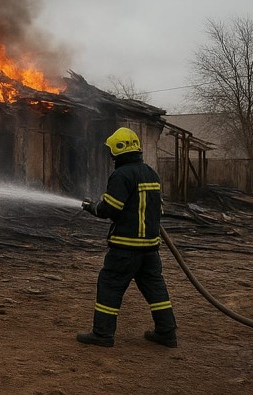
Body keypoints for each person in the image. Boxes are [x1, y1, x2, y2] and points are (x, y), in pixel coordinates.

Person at [77, 127, 177, 348]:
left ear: (117, 151)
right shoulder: (150, 172)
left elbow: (110, 209)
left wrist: (91, 207)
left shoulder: (122, 175)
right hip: (150, 248)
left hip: (125, 248)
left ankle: (102, 334)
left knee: (110, 285)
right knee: (155, 289)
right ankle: (167, 333)